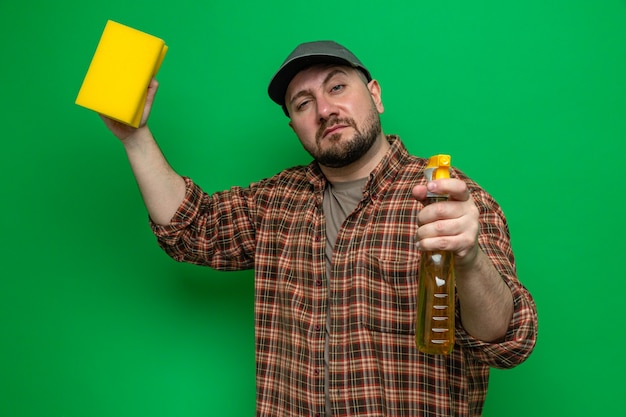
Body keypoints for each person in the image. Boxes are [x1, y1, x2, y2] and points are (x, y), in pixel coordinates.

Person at [100, 40, 538, 417]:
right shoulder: (276, 201)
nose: (325, 109)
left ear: (375, 95)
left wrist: (469, 257)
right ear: (295, 126)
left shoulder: (451, 198)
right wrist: (135, 137)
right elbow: (190, 228)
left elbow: (507, 340)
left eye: (337, 86)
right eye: (303, 103)